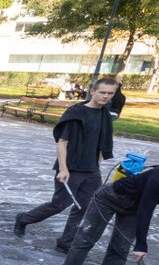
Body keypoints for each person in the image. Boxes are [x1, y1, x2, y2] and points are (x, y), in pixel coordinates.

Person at [14, 77, 118, 252]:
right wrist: (63, 168)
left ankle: (65, 243)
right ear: (92, 91)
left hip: (91, 170)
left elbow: (100, 144)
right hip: (71, 168)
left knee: (85, 206)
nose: (105, 96)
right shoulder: (77, 113)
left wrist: (96, 165)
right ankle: (24, 218)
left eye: (110, 93)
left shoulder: (104, 115)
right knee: (59, 204)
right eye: (102, 92)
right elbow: (62, 142)